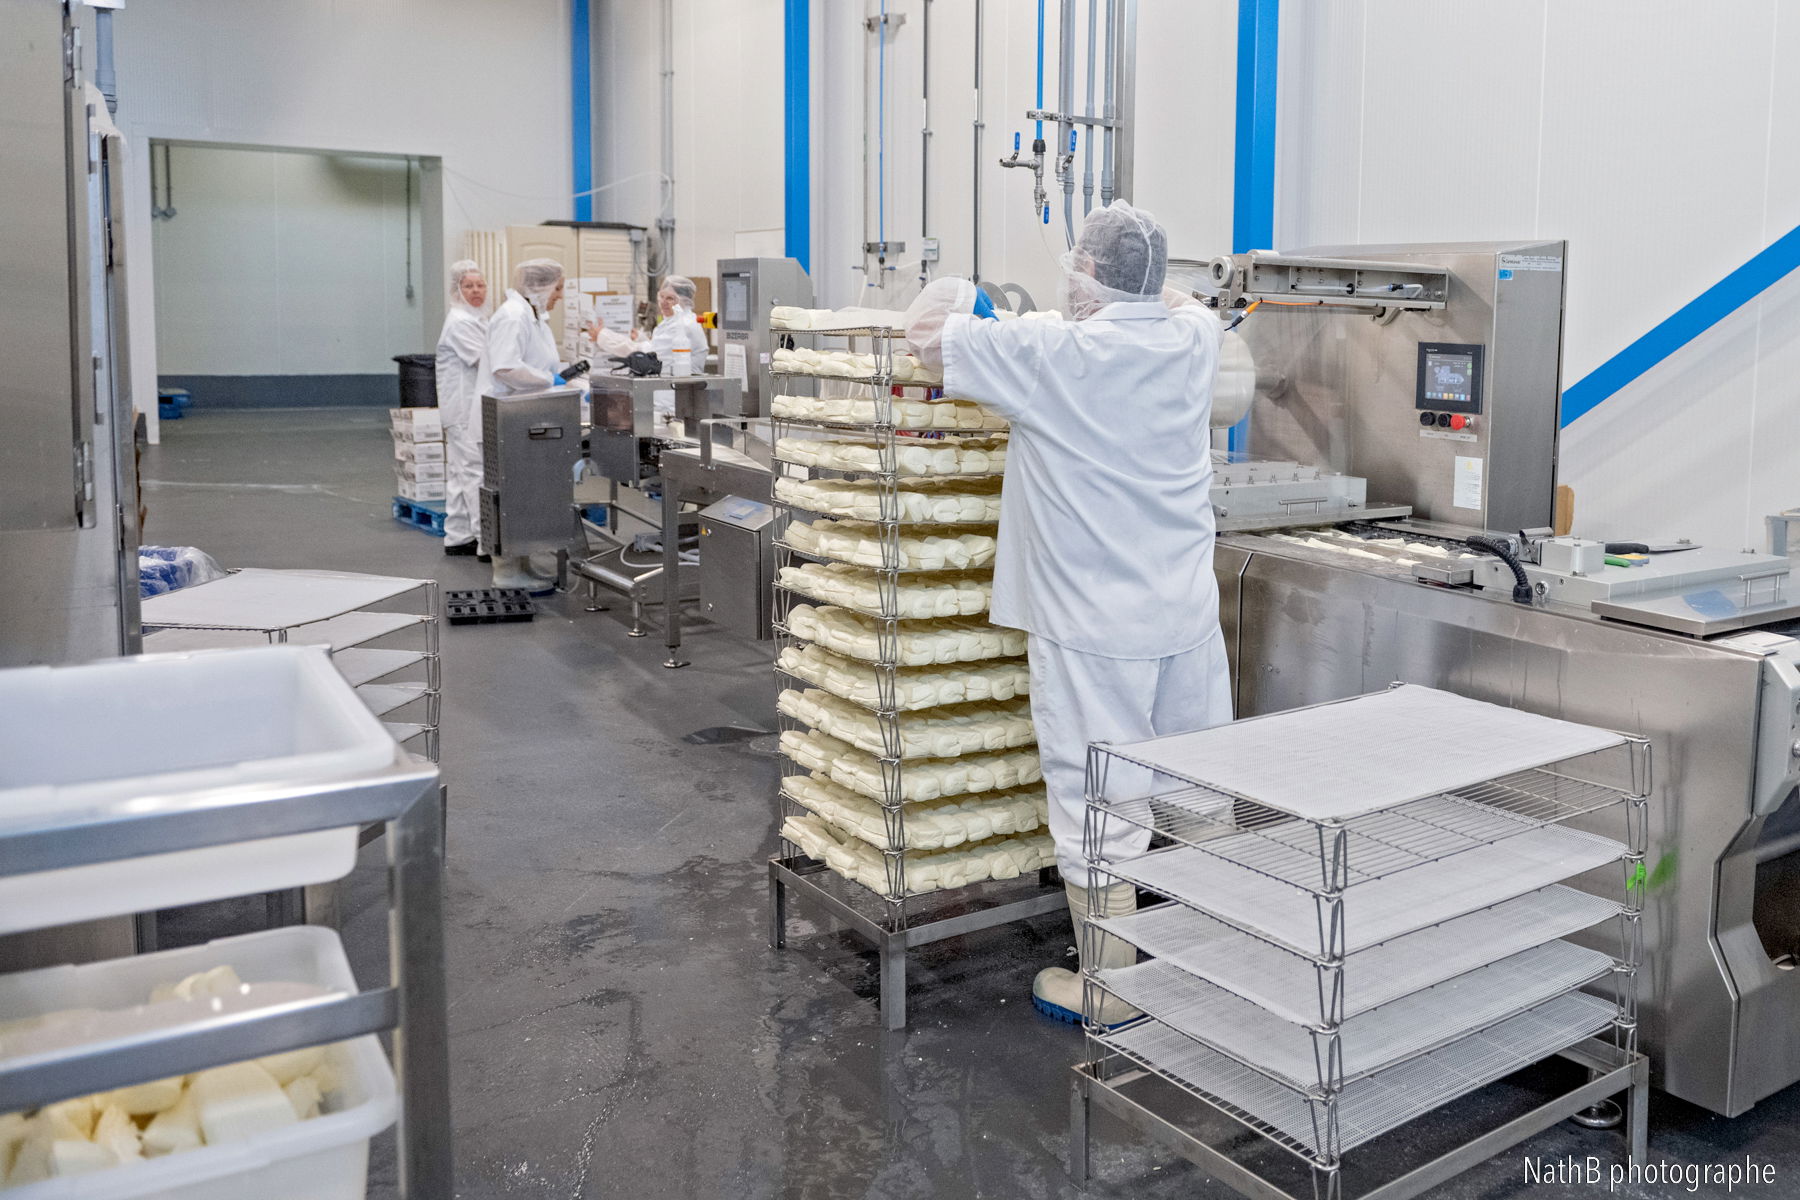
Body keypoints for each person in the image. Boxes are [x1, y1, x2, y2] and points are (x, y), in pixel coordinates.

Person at [904, 201, 1231, 1027]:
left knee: (1099, 804)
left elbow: (926, 331)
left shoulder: (1052, 354)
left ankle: (1111, 990)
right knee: (1199, 787)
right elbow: (1189, 304)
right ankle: (1215, 963)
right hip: (1185, 613)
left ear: (1086, 273)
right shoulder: (1193, 342)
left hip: (1093, 624)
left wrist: (974, 297)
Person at [477, 258, 586, 592]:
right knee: (508, 496)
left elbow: (538, 362)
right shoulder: (513, 315)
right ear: (540, 286)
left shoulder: (532, 315)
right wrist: (549, 381)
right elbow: (506, 368)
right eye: (558, 288)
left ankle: (521, 563)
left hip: (521, 419)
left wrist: (564, 381)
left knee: (522, 494)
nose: (560, 295)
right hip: (504, 419)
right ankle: (506, 572)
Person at [436, 261, 490, 557]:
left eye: (480, 285)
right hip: (462, 410)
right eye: (469, 286)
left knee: (460, 472)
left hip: (465, 408)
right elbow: (487, 361)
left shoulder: (476, 318)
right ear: (457, 290)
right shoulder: (460, 322)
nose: (476, 291)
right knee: (473, 472)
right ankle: (486, 541)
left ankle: (458, 536)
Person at [647, 274, 709, 366]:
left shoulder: (685, 324)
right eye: (661, 296)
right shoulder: (669, 321)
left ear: (685, 301)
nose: (663, 302)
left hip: (681, 375)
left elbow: (658, 354)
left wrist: (632, 348)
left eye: (670, 298)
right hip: (669, 374)